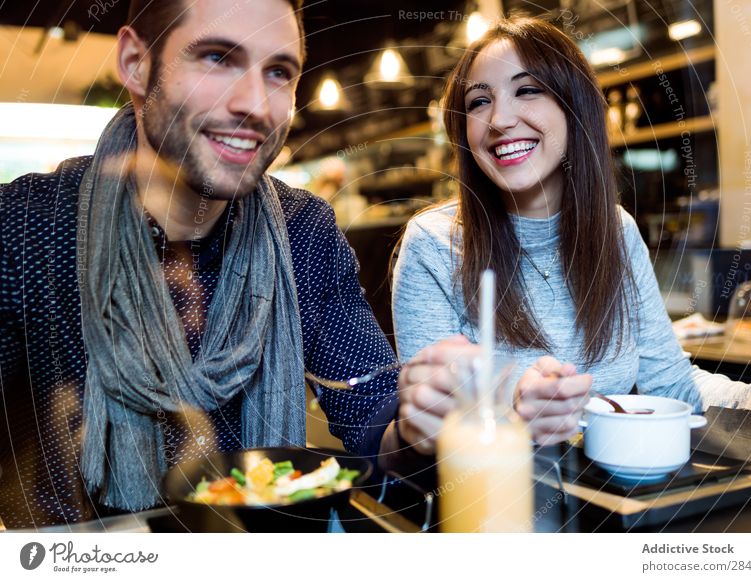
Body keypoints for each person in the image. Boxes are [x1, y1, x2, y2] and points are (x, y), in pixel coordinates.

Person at [0, 0, 455, 529]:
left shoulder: (302, 231)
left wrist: (422, 424)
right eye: (217, 58)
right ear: (136, 64)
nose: (256, 105)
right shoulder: (26, 231)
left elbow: (375, 423)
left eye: (279, 72)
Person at [392, 16, 751, 447]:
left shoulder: (617, 232)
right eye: (478, 102)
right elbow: (433, 431)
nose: (499, 118)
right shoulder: (434, 245)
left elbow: (669, 384)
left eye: (528, 89)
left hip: (618, 500)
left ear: (575, 108)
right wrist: (513, 415)